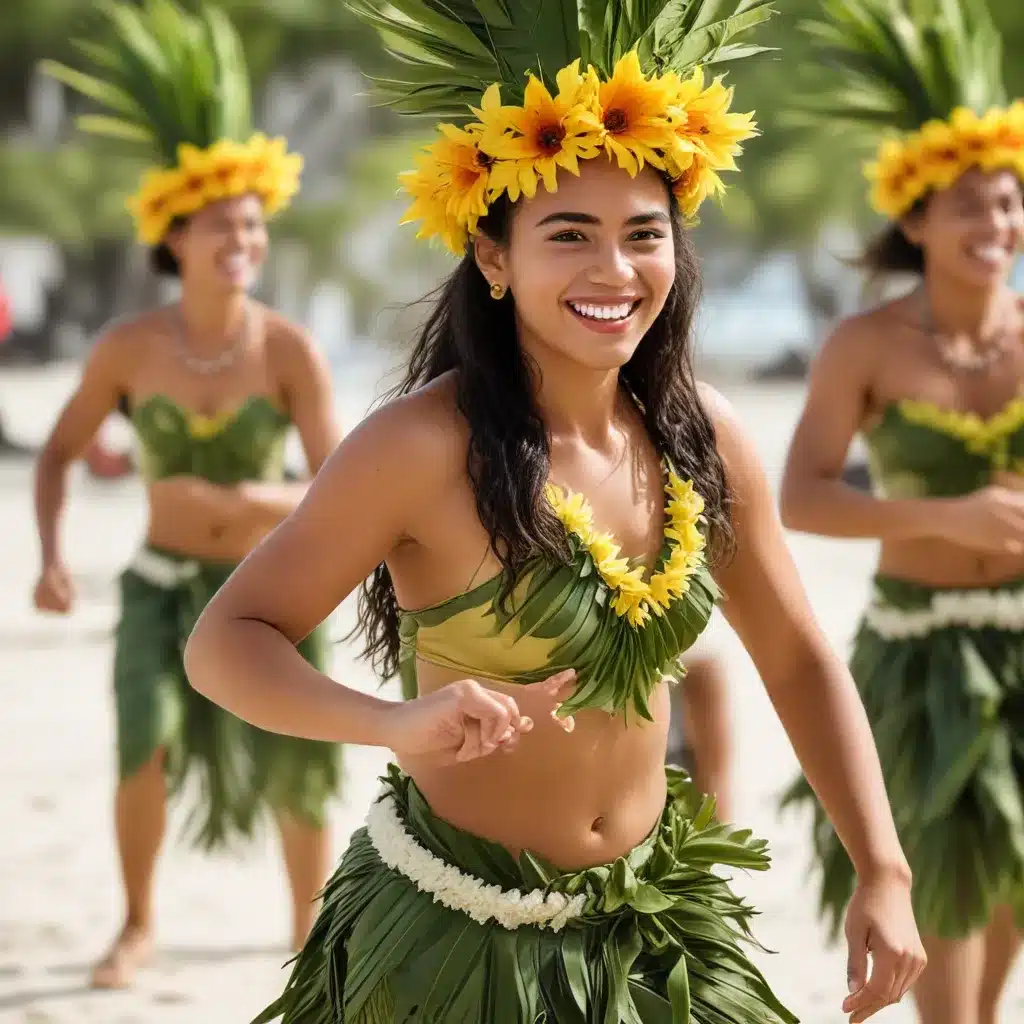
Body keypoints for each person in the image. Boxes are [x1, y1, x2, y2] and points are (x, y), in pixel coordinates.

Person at [185, 1, 926, 1020]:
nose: (613, 271)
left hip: (657, 927)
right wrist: (392, 721)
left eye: (642, 235)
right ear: (493, 257)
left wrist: (880, 866)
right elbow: (227, 639)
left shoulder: (700, 438)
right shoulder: (421, 445)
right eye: (568, 234)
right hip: (451, 938)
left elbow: (796, 657)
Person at [31, 0, 343, 990]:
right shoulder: (129, 346)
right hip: (161, 588)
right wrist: (46, 555)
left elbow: (341, 488)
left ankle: (308, 932)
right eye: (220, 227)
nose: (242, 241)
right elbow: (56, 454)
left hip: (271, 589)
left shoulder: (289, 349)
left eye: (252, 225)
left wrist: (268, 496)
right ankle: (134, 926)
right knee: (144, 746)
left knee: (300, 763)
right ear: (174, 237)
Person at [778, 1, 1024, 1021]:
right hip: (916, 665)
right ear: (914, 220)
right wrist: (944, 519)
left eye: (1010, 203)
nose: (996, 225)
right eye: (970, 205)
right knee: (948, 969)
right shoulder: (865, 345)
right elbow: (800, 498)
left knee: (1002, 932)